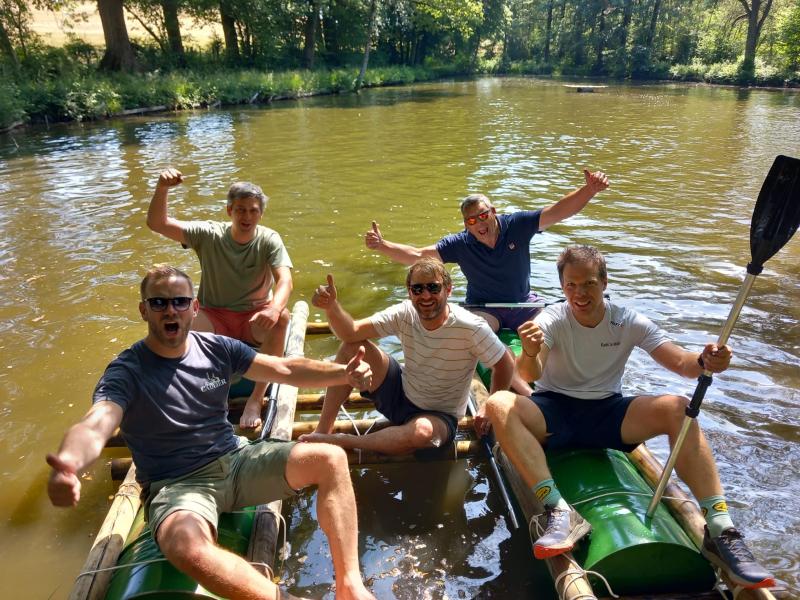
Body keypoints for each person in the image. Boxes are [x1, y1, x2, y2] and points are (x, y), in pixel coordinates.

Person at [46, 265, 376, 600]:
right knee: (184, 545)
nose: (170, 310)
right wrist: (69, 463)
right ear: (144, 310)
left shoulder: (216, 348)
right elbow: (97, 422)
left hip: (234, 460)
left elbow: (285, 368)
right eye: (159, 303)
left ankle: (350, 585)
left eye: (179, 301)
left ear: (194, 308)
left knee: (330, 458)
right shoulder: (126, 371)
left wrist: (343, 374)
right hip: (178, 484)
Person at [483, 246, 775, 590]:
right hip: (554, 410)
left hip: (608, 412)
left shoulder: (627, 320)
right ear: (562, 287)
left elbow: (681, 363)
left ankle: (721, 528)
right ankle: (558, 509)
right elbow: (530, 373)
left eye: (588, 284)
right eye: (571, 285)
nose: (579, 294)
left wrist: (705, 360)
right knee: (499, 403)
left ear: (604, 282)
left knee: (678, 408)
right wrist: (530, 351)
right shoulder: (552, 318)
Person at [365, 169, 609, 394]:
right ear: (466, 225)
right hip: (484, 308)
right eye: (472, 221)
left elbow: (558, 211)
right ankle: (528, 393)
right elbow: (418, 255)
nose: (479, 223)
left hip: (523, 303)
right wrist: (382, 246)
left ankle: (574, 379)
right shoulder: (460, 244)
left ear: (493, 211)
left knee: (555, 329)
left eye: (483, 216)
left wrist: (589, 190)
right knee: (481, 339)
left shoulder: (516, 225)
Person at [299, 257, 514, 455]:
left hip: (439, 415)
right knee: (351, 347)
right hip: (401, 392)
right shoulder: (405, 313)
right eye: (418, 289)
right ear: (409, 292)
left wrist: (489, 406)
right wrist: (332, 307)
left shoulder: (471, 327)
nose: (425, 296)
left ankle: (345, 441)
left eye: (433, 287)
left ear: (448, 290)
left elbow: (505, 363)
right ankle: (323, 430)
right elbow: (351, 332)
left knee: (422, 433)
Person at [147, 167, 292, 430]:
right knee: (176, 314)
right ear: (229, 211)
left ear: (260, 213)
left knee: (282, 316)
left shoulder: (269, 239)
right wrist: (162, 188)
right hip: (214, 315)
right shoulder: (208, 233)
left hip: (253, 317)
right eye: (240, 210)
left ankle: (255, 399)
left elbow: (285, 280)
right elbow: (158, 223)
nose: (247, 216)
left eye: (253, 210)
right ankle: (189, 392)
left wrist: (273, 309)